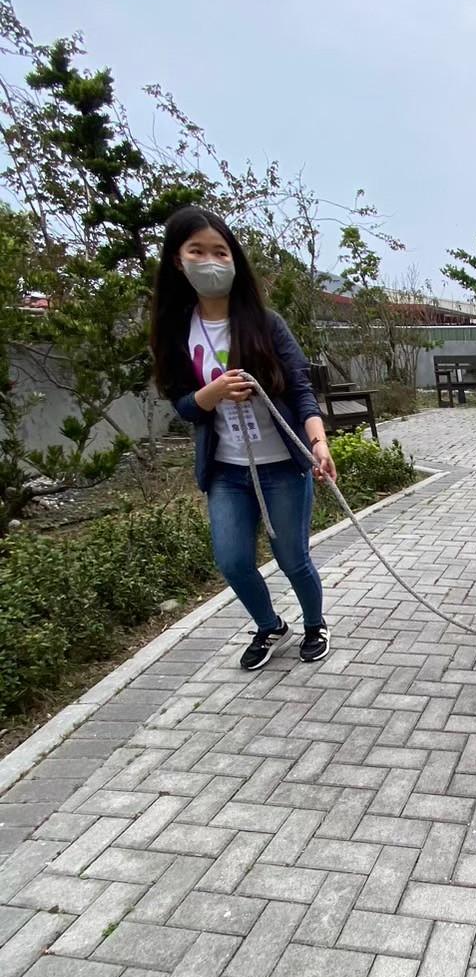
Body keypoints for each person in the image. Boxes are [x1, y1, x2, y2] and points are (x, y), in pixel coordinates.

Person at [151, 206, 337, 671]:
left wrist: (318, 443)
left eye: (220, 250)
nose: (211, 260)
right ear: (179, 260)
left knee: (292, 558)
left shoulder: (265, 323)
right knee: (232, 561)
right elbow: (181, 404)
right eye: (198, 250)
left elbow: (300, 388)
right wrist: (209, 395)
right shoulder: (177, 331)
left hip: (282, 467)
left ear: (234, 258)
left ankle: (315, 624)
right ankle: (269, 625)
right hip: (226, 472)